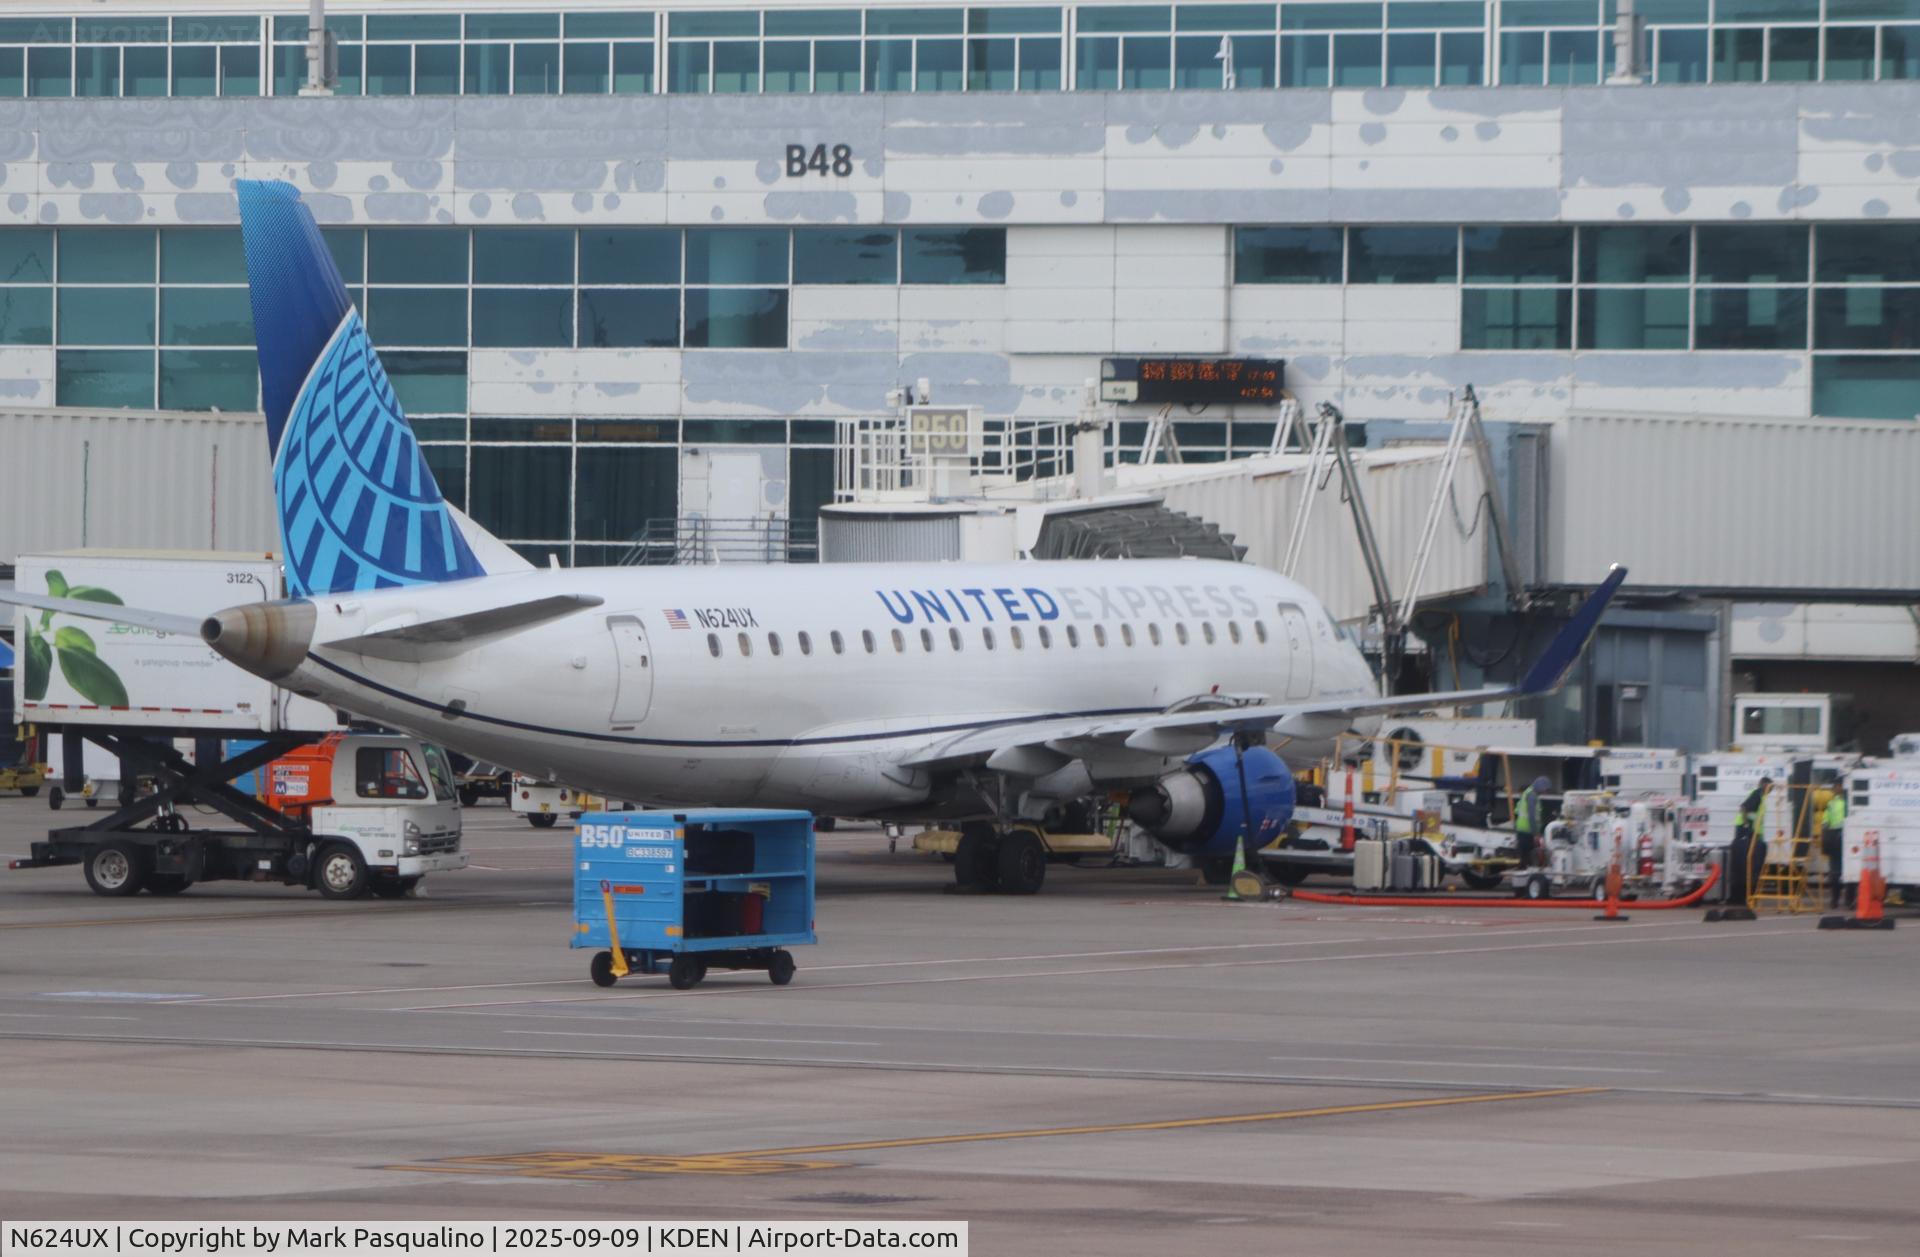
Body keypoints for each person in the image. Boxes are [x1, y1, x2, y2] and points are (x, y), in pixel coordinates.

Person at [1728, 777, 1773, 908]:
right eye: (1770, 787)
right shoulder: (1757, 794)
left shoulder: (1761, 796)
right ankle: (1745, 894)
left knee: (1748, 864)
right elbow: (1744, 808)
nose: (1771, 790)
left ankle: (1746, 894)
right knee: (1747, 864)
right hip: (1746, 831)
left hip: (1751, 832)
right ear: (1764, 785)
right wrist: (1747, 826)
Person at [1514, 775, 1550, 870]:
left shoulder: (1528, 792)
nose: (1544, 792)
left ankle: (1523, 876)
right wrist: (1536, 834)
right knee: (1527, 857)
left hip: (1523, 829)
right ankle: (1525, 877)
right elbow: (1532, 816)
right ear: (1540, 787)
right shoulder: (1532, 796)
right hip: (1527, 831)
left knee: (1524, 858)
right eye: (1545, 789)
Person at [1822, 784, 1848, 909]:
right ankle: (1836, 900)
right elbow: (1825, 820)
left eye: (1835, 787)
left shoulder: (1847, 802)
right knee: (1836, 873)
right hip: (1836, 839)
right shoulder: (1831, 803)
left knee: (1843, 872)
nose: (1833, 790)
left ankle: (1846, 900)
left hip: (1844, 837)